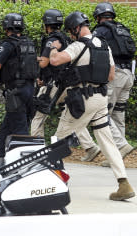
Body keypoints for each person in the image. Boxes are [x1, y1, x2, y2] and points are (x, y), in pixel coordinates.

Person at [49, 11, 135, 201]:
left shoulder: (78, 46)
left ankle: (53, 183)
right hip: (101, 99)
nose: (71, 35)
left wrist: (53, 48)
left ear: (75, 28)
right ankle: (124, 183)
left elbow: (55, 61)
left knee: (58, 140)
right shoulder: (104, 45)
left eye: (71, 32)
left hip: (82, 99)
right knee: (107, 141)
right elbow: (111, 76)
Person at [30, 9, 100, 161]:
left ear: (46, 24)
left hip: (55, 84)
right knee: (70, 112)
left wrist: (30, 58)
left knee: (39, 114)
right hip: (67, 83)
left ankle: (36, 149)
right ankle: (90, 146)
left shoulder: (52, 40)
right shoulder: (66, 38)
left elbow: (45, 62)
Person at [0, 13, 37, 162]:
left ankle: (26, 164)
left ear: (7, 27)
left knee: (20, 130)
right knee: (7, 125)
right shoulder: (28, 43)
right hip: (29, 89)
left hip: (16, 92)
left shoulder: (8, 44)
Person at [92, 2, 136, 167]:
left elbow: (94, 53)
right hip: (128, 75)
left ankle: (120, 146)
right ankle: (117, 156)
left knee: (102, 114)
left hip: (114, 76)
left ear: (98, 17)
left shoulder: (100, 31)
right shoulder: (122, 28)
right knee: (118, 115)